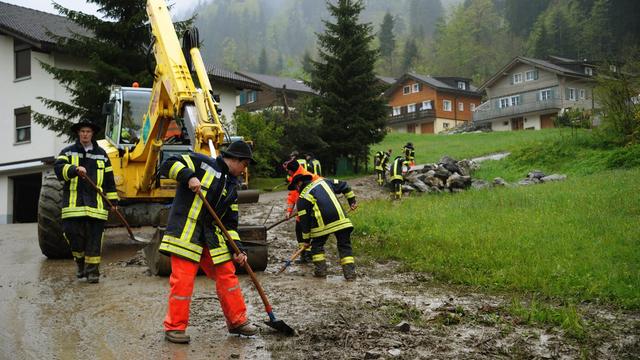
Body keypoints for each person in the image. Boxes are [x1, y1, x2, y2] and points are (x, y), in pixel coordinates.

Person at [158, 140, 258, 344]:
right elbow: (168, 164)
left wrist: (238, 248)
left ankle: (237, 321)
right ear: (235, 160)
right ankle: (175, 328)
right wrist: (188, 176)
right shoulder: (202, 163)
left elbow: (230, 224)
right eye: (244, 164)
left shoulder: (232, 187)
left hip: (211, 238)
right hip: (187, 233)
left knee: (227, 275)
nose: (244, 169)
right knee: (183, 281)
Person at [54, 118, 118, 283]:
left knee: (94, 240)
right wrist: (74, 169)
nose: (85, 134)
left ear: (92, 134)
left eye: (88, 131)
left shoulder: (102, 154)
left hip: (96, 206)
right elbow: (59, 170)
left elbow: (109, 180)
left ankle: (92, 272)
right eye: (82, 131)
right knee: (72, 234)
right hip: (73, 205)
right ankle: (80, 263)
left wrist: (113, 202)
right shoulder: (67, 152)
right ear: (78, 133)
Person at [291, 174, 358, 280]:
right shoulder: (324, 181)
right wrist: (352, 201)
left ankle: (320, 271)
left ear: (299, 184)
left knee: (316, 247)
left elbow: (304, 223)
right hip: (342, 221)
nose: (296, 190)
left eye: (295, 187)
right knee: (345, 246)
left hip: (322, 226)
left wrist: (306, 240)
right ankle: (350, 274)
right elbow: (345, 185)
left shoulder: (302, 198)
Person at [283, 159, 321, 264]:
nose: (287, 173)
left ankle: (309, 255)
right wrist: (288, 211)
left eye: (288, 171)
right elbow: (292, 196)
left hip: (310, 211)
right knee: (299, 231)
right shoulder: (294, 178)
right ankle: (304, 255)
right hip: (301, 210)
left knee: (307, 232)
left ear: (292, 170)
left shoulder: (308, 176)